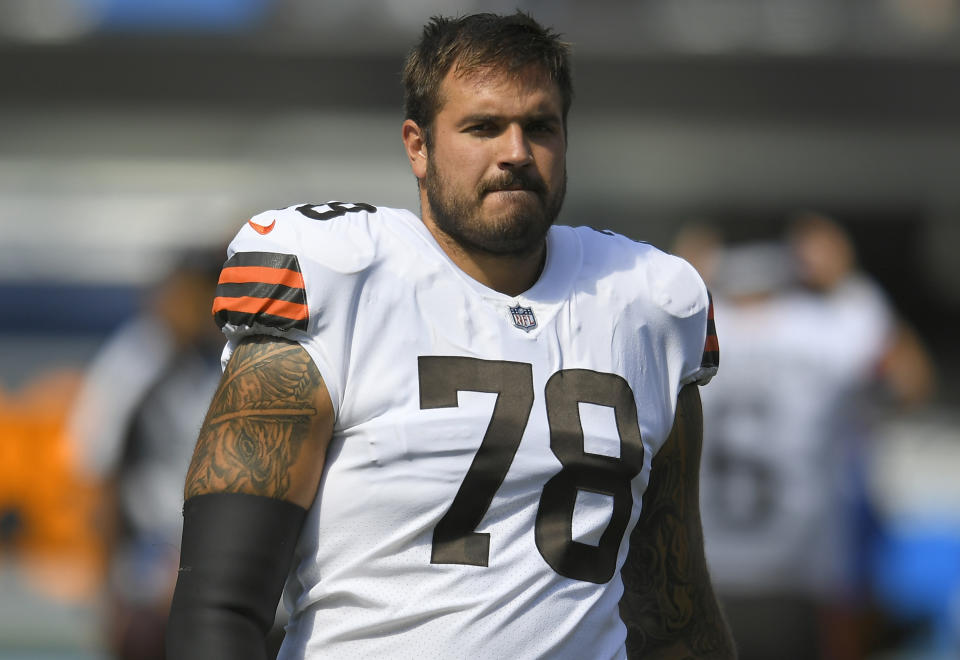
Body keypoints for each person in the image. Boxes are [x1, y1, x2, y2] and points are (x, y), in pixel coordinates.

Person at [166, 12, 735, 660]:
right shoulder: (340, 276)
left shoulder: (646, 304)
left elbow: (674, 613)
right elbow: (219, 607)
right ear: (418, 144)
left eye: (539, 127)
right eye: (484, 127)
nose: (516, 152)